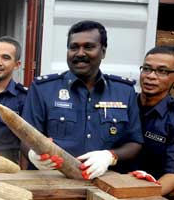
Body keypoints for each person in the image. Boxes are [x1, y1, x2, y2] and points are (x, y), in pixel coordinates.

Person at [22, 20, 143, 179]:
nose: (80, 53)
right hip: (51, 182)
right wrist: (32, 154)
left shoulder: (124, 91)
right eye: (73, 47)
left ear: (103, 51)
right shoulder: (43, 89)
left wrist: (110, 156)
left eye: (88, 47)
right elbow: (25, 137)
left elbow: (135, 143)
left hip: (105, 184)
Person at [133, 45, 174, 195]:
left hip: (153, 195)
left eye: (162, 71)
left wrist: (139, 197)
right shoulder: (124, 106)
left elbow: (172, 174)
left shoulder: (171, 118)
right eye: (146, 69)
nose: (151, 76)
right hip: (110, 186)